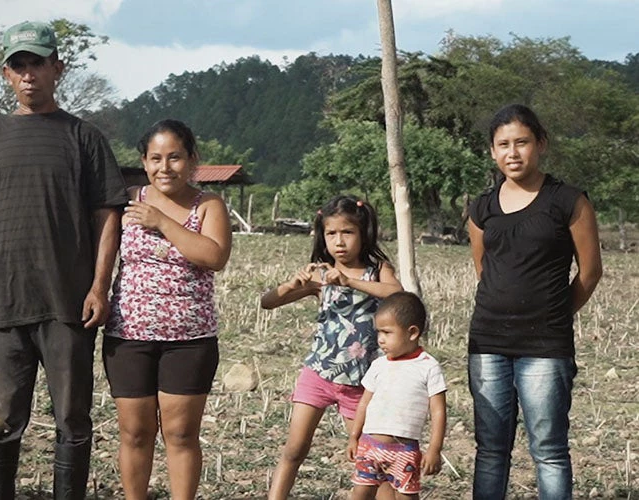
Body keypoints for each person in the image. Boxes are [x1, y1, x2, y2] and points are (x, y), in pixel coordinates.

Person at [0, 20, 127, 500]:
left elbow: (108, 215)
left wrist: (99, 286)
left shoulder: (84, 137)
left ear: (58, 68)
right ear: (7, 74)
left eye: (37, 63)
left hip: (68, 302)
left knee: (72, 417)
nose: (28, 74)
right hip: (2, 302)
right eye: (18, 65)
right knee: (1, 418)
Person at [466, 104, 602, 500]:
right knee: (490, 451)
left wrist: (552, 314)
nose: (513, 153)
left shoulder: (568, 201)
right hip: (487, 342)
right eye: (503, 144)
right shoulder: (482, 208)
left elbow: (590, 273)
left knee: (549, 451)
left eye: (522, 142)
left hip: (545, 345)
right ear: (492, 152)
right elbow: (483, 269)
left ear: (540, 144)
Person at [102, 119, 232, 500]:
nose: (165, 167)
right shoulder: (126, 199)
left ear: (193, 160)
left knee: (180, 434)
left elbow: (213, 255)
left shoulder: (208, 204)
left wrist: (161, 221)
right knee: (135, 432)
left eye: (175, 157)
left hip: (189, 341)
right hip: (128, 336)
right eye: (155, 158)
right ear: (143, 161)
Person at [260, 195, 403, 499]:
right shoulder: (320, 275)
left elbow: (397, 295)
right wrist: (291, 286)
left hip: (360, 384)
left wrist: (351, 282)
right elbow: (267, 302)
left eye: (347, 232)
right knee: (294, 450)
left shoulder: (377, 270)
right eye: (331, 233)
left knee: (373, 459)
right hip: (318, 375)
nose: (339, 241)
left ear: (364, 234)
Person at [346, 291, 447, 499]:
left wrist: (434, 449)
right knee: (360, 494)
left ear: (412, 333)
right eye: (378, 333)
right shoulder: (378, 365)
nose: (380, 340)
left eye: (387, 332)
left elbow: (438, 412)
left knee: (406, 496)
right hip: (369, 446)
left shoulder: (428, 367)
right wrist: (354, 436)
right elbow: (364, 403)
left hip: (404, 450)